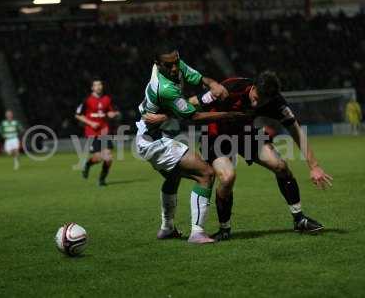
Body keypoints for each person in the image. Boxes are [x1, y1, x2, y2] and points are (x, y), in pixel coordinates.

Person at [193, 72, 333, 240]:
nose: (256, 103)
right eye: (256, 97)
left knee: (280, 165)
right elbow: (193, 102)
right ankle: (224, 229)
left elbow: (295, 129)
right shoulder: (231, 87)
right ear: (253, 87)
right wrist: (165, 112)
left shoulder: (276, 102)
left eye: (262, 101)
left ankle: (299, 219)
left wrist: (314, 166)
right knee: (228, 178)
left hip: (244, 133)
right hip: (216, 136)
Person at [136, 44, 245, 244]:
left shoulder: (175, 66)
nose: (175, 69)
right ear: (157, 65)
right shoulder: (164, 88)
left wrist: (212, 84)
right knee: (206, 173)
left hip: (155, 136)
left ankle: (167, 228)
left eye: (176, 62)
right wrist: (229, 115)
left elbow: (199, 78)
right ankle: (197, 233)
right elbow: (193, 117)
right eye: (168, 66)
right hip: (156, 141)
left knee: (172, 177)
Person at [75, 78, 120, 186]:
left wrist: (113, 114)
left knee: (108, 158)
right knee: (99, 157)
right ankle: (87, 165)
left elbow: (114, 111)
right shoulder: (87, 100)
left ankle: (102, 180)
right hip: (92, 132)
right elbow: (78, 115)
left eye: (100, 84)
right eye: (96, 85)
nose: (99, 87)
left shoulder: (107, 99)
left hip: (105, 131)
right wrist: (90, 123)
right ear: (92, 88)